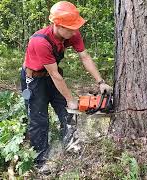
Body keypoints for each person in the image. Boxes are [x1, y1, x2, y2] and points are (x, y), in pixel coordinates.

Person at [20, 1, 113, 170]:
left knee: (66, 111)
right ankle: (41, 161)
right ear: (57, 24)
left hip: (52, 76)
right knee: (39, 118)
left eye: (74, 27)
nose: (73, 31)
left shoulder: (73, 33)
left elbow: (85, 57)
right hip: (34, 79)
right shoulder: (40, 41)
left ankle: (70, 143)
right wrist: (70, 98)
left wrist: (101, 82)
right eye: (69, 27)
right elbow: (55, 75)